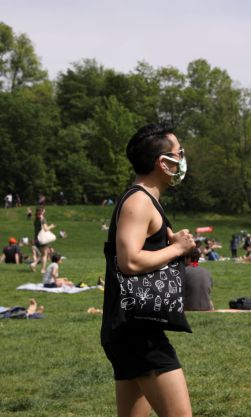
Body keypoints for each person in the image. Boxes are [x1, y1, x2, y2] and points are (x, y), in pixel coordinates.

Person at [101, 124, 195, 417]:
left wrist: (173, 243)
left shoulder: (145, 200)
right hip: (137, 331)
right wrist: (177, 249)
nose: (182, 160)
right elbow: (129, 261)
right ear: (162, 163)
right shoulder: (139, 201)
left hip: (128, 327)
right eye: (178, 153)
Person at [35, 207, 56, 273]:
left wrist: (42, 213)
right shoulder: (43, 219)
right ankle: (43, 269)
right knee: (44, 255)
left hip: (37, 238)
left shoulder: (36, 220)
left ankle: (33, 264)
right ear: (42, 212)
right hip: (42, 239)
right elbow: (46, 229)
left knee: (41, 254)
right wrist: (51, 226)